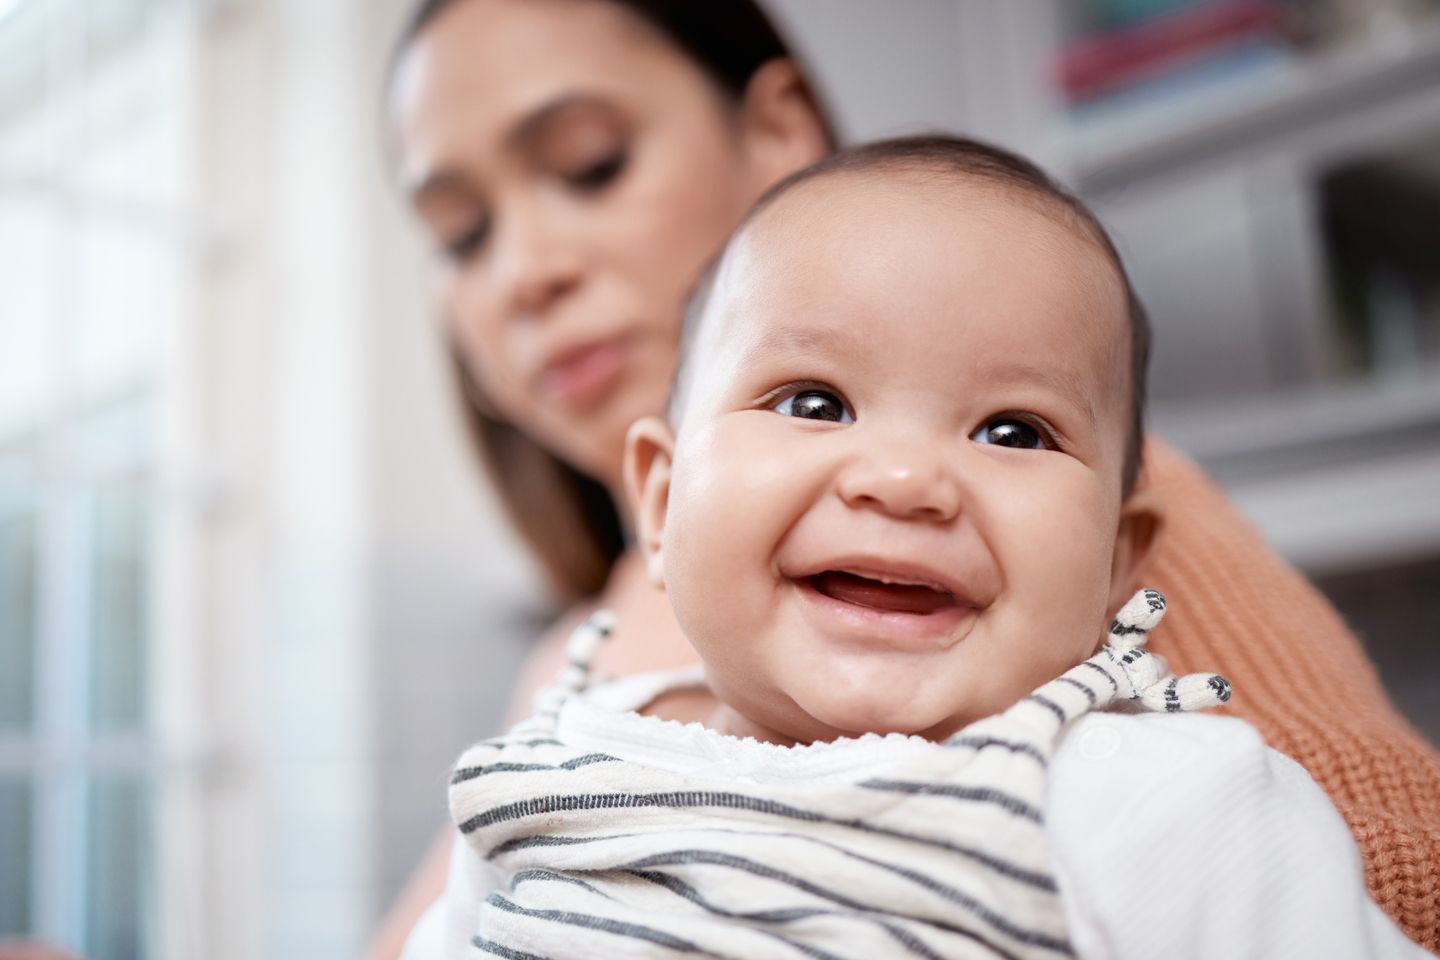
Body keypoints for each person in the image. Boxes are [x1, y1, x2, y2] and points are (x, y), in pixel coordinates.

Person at [377, 0, 1440, 954]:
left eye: (593, 164)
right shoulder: (562, 724)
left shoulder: (1145, 775)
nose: (526, 273)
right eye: (461, 236)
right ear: (660, 497)